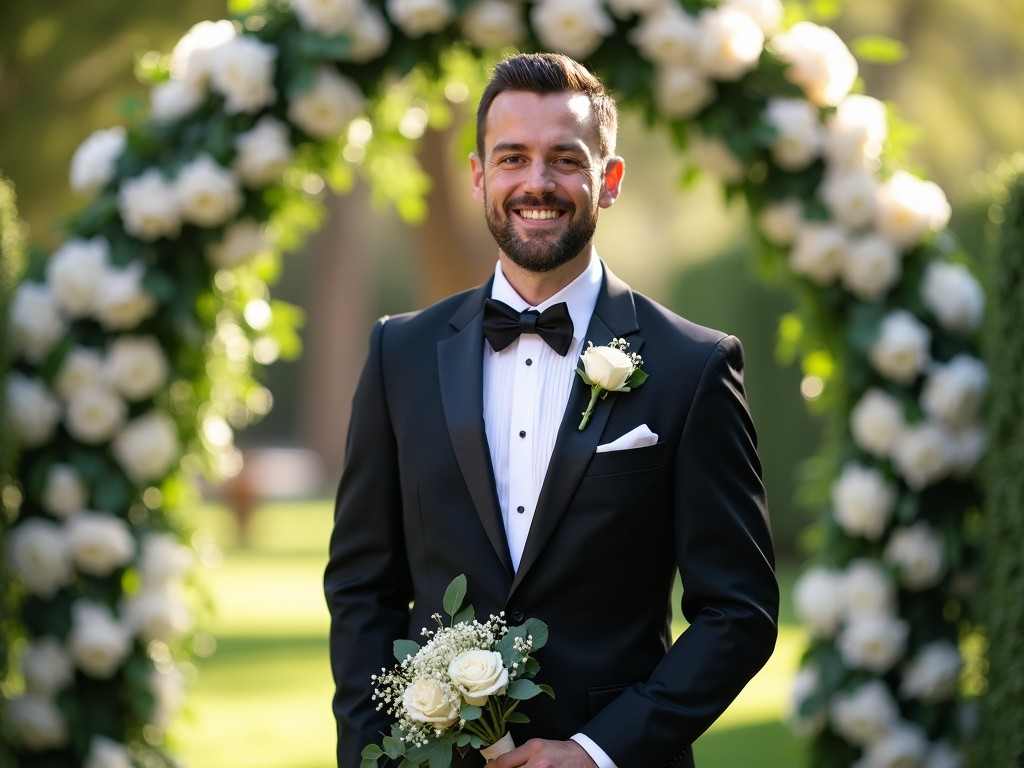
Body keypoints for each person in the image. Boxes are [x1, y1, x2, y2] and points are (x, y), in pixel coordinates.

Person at [324, 52, 779, 768]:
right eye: (513, 158)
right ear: (478, 176)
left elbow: (738, 614)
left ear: (611, 179)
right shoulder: (397, 354)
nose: (537, 183)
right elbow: (360, 588)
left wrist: (600, 751)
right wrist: (372, 754)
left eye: (565, 159)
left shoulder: (694, 367)